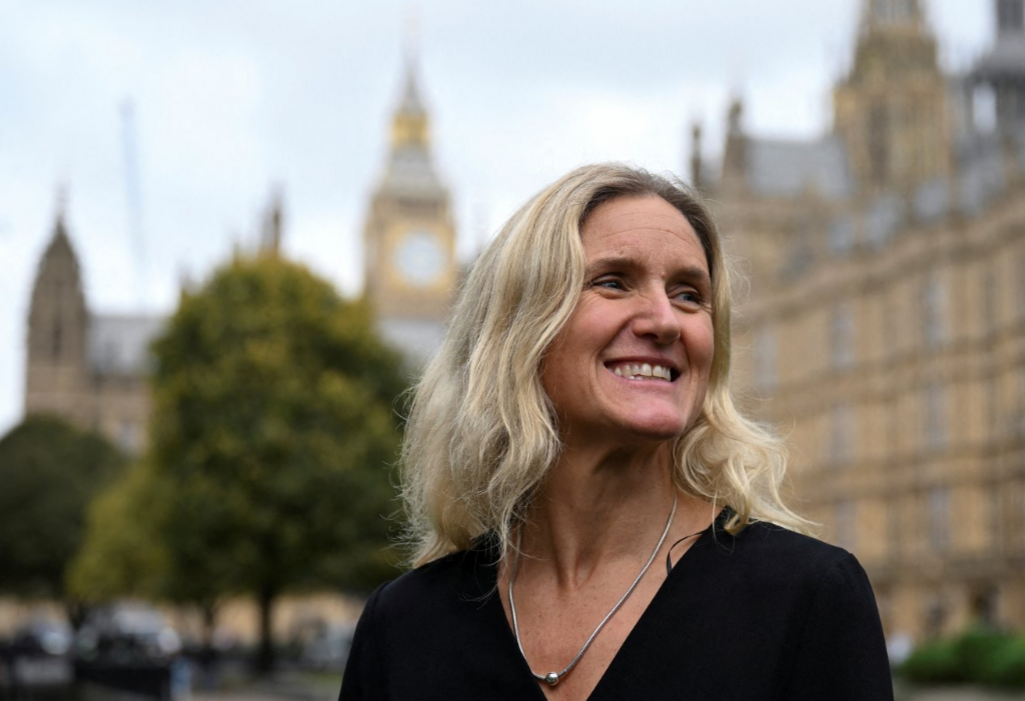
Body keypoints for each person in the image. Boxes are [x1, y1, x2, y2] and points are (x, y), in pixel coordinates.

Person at [339, 163, 893, 700]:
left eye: (689, 294)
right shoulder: (403, 626)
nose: (665, 319)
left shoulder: (808, 598)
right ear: (516, 330)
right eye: (613, 282)